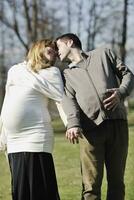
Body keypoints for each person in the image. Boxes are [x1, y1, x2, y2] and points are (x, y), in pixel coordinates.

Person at [55, 33, 134, 200]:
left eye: (59, 46)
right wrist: (73, 124)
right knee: (90, 185)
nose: (57, 51)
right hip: (89, 130)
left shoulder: (103, 54)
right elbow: (69, 100)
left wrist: (121, 92)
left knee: (117, 182)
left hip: (117, 125)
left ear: (70, 42)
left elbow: (128, 75)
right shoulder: (67, 75)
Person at [0, 39, 64, 200]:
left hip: (36, 134)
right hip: (13, 139)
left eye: (56, 52)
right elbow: (8, 99)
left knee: (39, 189)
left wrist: (71, 124)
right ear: (39, 49)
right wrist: (3, 134)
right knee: (20, 189)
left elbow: (61, 101)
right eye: (51, 49)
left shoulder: (52, 73)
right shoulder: (15, 70)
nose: (55, 54)